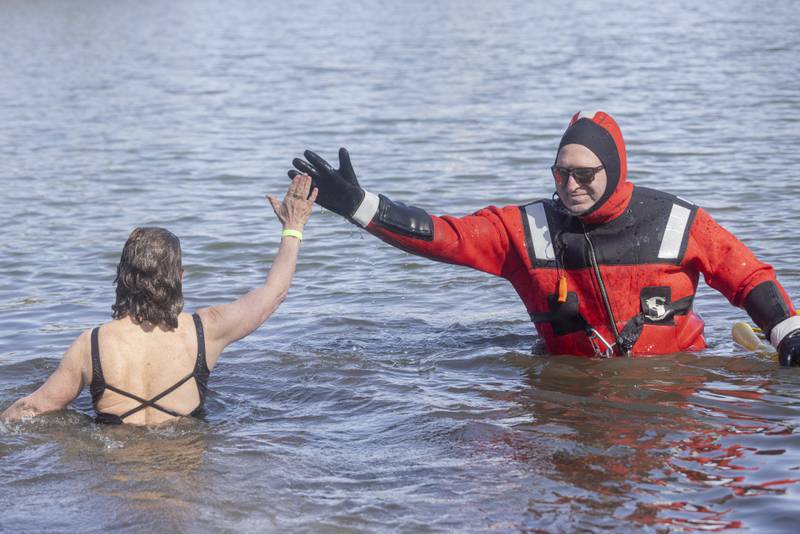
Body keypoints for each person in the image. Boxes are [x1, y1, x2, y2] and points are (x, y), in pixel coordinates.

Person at [289, 111, 800, 364]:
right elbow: (442, 235)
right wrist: (357, 204)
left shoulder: (676, 221)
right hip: (570, 381)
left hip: (677, 382)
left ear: (616, 170)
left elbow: (747, 276)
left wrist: (788, 333)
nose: (569, 187)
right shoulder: (524, 231)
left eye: (584, 174)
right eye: (560, 174)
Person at [1, 175, 317, 424]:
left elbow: (35, 407)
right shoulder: (204, 331)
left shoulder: (92, 345)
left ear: (123, 276)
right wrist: (294, 226)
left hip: (121, 480)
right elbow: (273, 293)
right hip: (184, 469)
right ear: (179, 276)